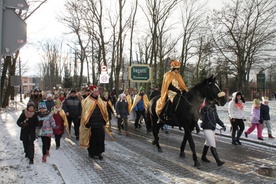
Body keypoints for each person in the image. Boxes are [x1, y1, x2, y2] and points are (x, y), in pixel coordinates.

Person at [156, 60, 188, 131]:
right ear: (174, 68)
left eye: (178, 69)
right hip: (170, 91)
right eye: (177, 69)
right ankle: (166, 114)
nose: (178, 70)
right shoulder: (168, 74)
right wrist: (176, 90)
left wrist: (184, 90)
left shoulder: (178, 75)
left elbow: (182, 85)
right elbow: (169, 85)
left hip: (178, 92)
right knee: (172, 100)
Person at [79, 85, 109, 160]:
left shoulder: (100, 100)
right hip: (92, 124)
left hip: (99, 123)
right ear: (92, 92)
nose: (97, 93)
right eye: (96, 91)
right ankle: (91, 152)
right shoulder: (87, 101)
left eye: (98, 91)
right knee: (92, 139)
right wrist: (87, 122)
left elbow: (104, 110)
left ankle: (99, 152)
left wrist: (104, 120)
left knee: (100, 138)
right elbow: (85, 112)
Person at [200, 99, 226, 166]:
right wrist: (204, 110)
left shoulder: (214, 108)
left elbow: (217, 118)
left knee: (208, 143)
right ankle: (218, 161)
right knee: (212, 143)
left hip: (212, 127)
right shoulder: (205, 108)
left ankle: (203, 157)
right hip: (207, 127)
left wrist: (222, 125)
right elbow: (201, 117)